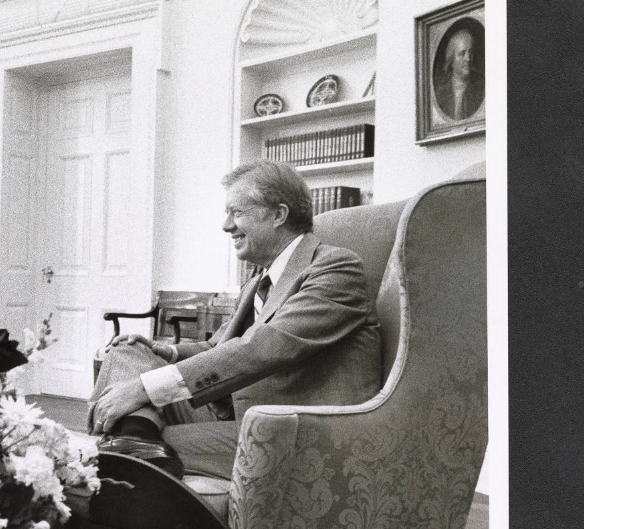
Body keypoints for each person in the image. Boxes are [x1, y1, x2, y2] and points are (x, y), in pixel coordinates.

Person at [89, 160, 381, 481]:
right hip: (226, 411)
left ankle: (129, 447)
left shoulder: (336, 268)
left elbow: (265, 347)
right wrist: (164, 351)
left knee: (132, 439)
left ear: (278, 215)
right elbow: (218, 347)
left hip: (287, 431)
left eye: (236, 213)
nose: (226, 226)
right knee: (126, 352)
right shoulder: (259, 279)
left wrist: (145, 388)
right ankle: (134, 440)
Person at [433, 26, 484, 122]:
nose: (468, 59)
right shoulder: (440, 92)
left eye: (470, 52)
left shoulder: (482, 87)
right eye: (462, 53)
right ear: (451, 59)